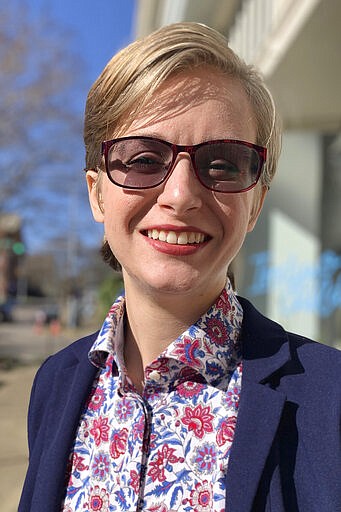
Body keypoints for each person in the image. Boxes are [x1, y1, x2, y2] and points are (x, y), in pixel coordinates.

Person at [19, 22, 340, 512]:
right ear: (96, 192)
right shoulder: (54, 383)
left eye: (223, 163)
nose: (181, 195)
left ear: (255, 205)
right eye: (143, 159)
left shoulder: (330, 398)